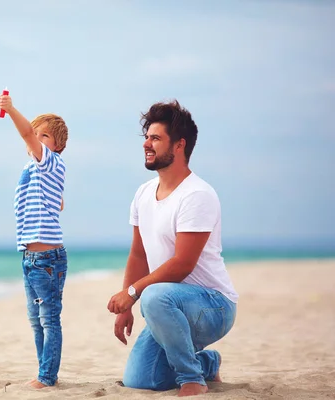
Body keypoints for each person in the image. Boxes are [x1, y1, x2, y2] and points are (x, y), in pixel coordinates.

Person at [107, 100, 239, 397]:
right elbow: (138, 254)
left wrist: (132, 293)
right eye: (146, 137)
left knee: (152, 295)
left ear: (179, 146)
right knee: (140, 379)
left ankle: (192, 379)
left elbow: (182, 265)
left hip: (213, 306)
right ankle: (206, 362)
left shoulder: (197, 195)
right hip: (167, 306)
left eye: (155, 138)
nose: (146, 144)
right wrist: (125, 309)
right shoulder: (143, 193)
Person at [0, 93, 69, 389]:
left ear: (57, 146)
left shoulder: (49, 162)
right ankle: (44, 371)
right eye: (36, 133)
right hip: (30, 259)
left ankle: (47, 377)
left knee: (49, 319)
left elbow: (26, 133)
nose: (37, 139)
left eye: (45, 136)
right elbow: (53, 201)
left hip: (46, 261)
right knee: (36, 320)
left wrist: (11, 109)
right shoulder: (33, 170)